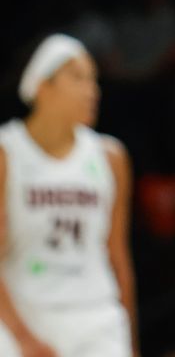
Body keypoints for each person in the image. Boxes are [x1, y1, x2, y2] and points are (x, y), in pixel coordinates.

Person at [0, 33, 138, 356]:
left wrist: (130, 343)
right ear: (41, 86)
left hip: (95, 317)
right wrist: (24, 338)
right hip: (23, 313)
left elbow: (118, 257)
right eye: (77, 77)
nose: (92, 90)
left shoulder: (110, 157)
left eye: (94, 79)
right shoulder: (7, 153)